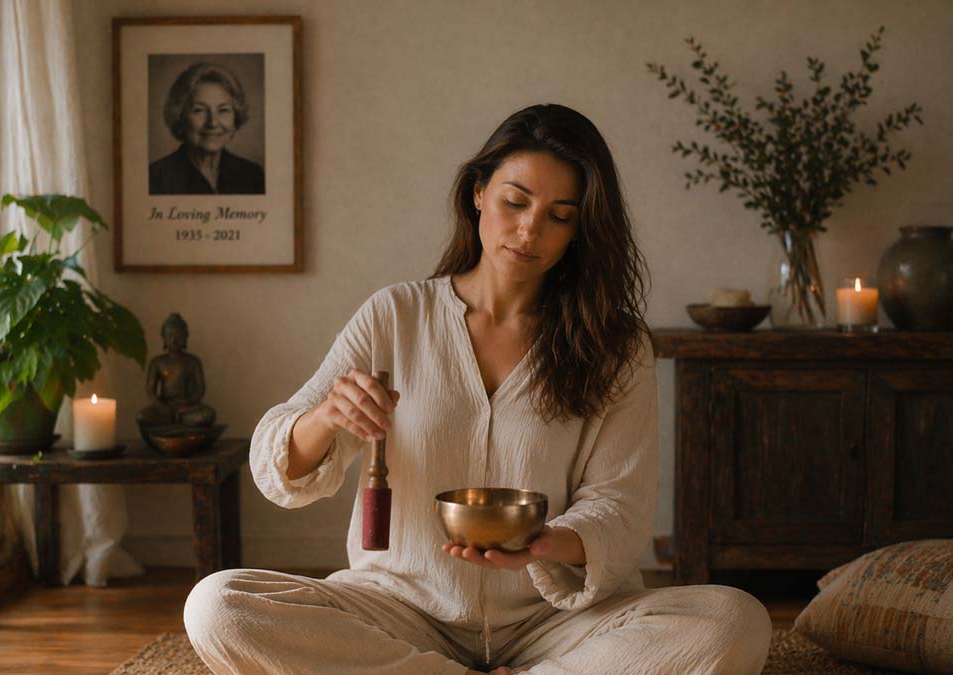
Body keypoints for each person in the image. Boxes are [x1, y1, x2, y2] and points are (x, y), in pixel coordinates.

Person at [183, 104, 772, 674]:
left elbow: (621, 505)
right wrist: (326, 417)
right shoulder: (395, 315)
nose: (529, 229)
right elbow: (275, 466)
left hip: (554, 621)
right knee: (218, 606)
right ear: (478, 193)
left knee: (734, 621)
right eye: (516, 201)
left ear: (581, 230)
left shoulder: (616, 343)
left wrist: (545, 543)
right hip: (399, 612)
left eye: (559, 215)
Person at [149, 62, 265, 195]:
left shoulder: (252, 175)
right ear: (179, 115)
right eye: (199, 110)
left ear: (236, 117)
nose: (213, 123)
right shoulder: (156, 177)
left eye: (223, 110)